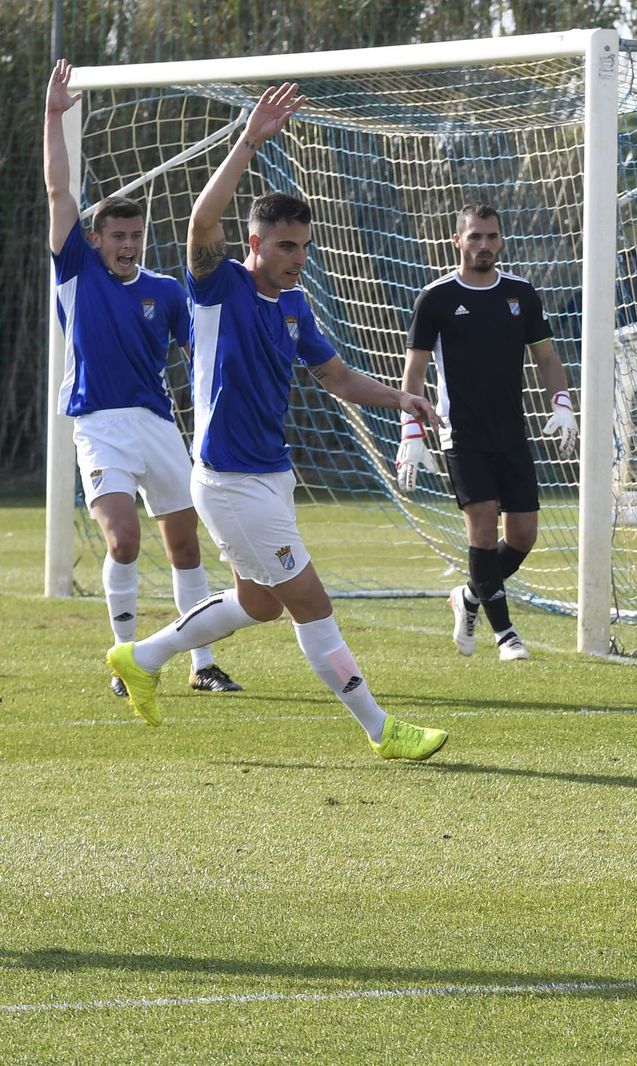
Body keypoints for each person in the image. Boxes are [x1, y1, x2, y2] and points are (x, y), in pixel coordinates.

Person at [104, 83, 448, 761]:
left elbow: (338, 378)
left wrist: (401, 400)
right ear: (255, 245)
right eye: (288, 246)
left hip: (272, 476)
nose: (301, 258)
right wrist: (250, 140)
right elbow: (203, 220)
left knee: (259, 603)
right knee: (310, 599)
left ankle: (141, 656)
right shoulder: (218, 286)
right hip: (229, 481)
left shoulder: (296, 308)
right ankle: (383, 730)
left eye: (305, 246)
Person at [43, 59, 242, 702]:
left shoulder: (166, 290)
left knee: (185, 545)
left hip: (158, 424)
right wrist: (54, 117)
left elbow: (202, 351)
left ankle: (201, 662)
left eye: (136, 235)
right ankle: (127, 659)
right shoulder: (77, 270)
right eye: (117, 236)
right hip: (99, 423)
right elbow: (57, 192)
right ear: (95, 238)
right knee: (123, 538)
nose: (128, 245)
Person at [397, 202, 578, 662]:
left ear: (501, 241)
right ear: (457, 240)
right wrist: (411, 432)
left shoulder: (520, 294)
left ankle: (469, 596)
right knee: (481, 526)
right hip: (460, 432)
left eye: (491, 236)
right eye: (474, 236)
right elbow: (414, 371)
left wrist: (563, 404)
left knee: (523, 536)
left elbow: (547, 358)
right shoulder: (435, 298)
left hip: (511, 431)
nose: (483, 245)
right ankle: (506, 635)